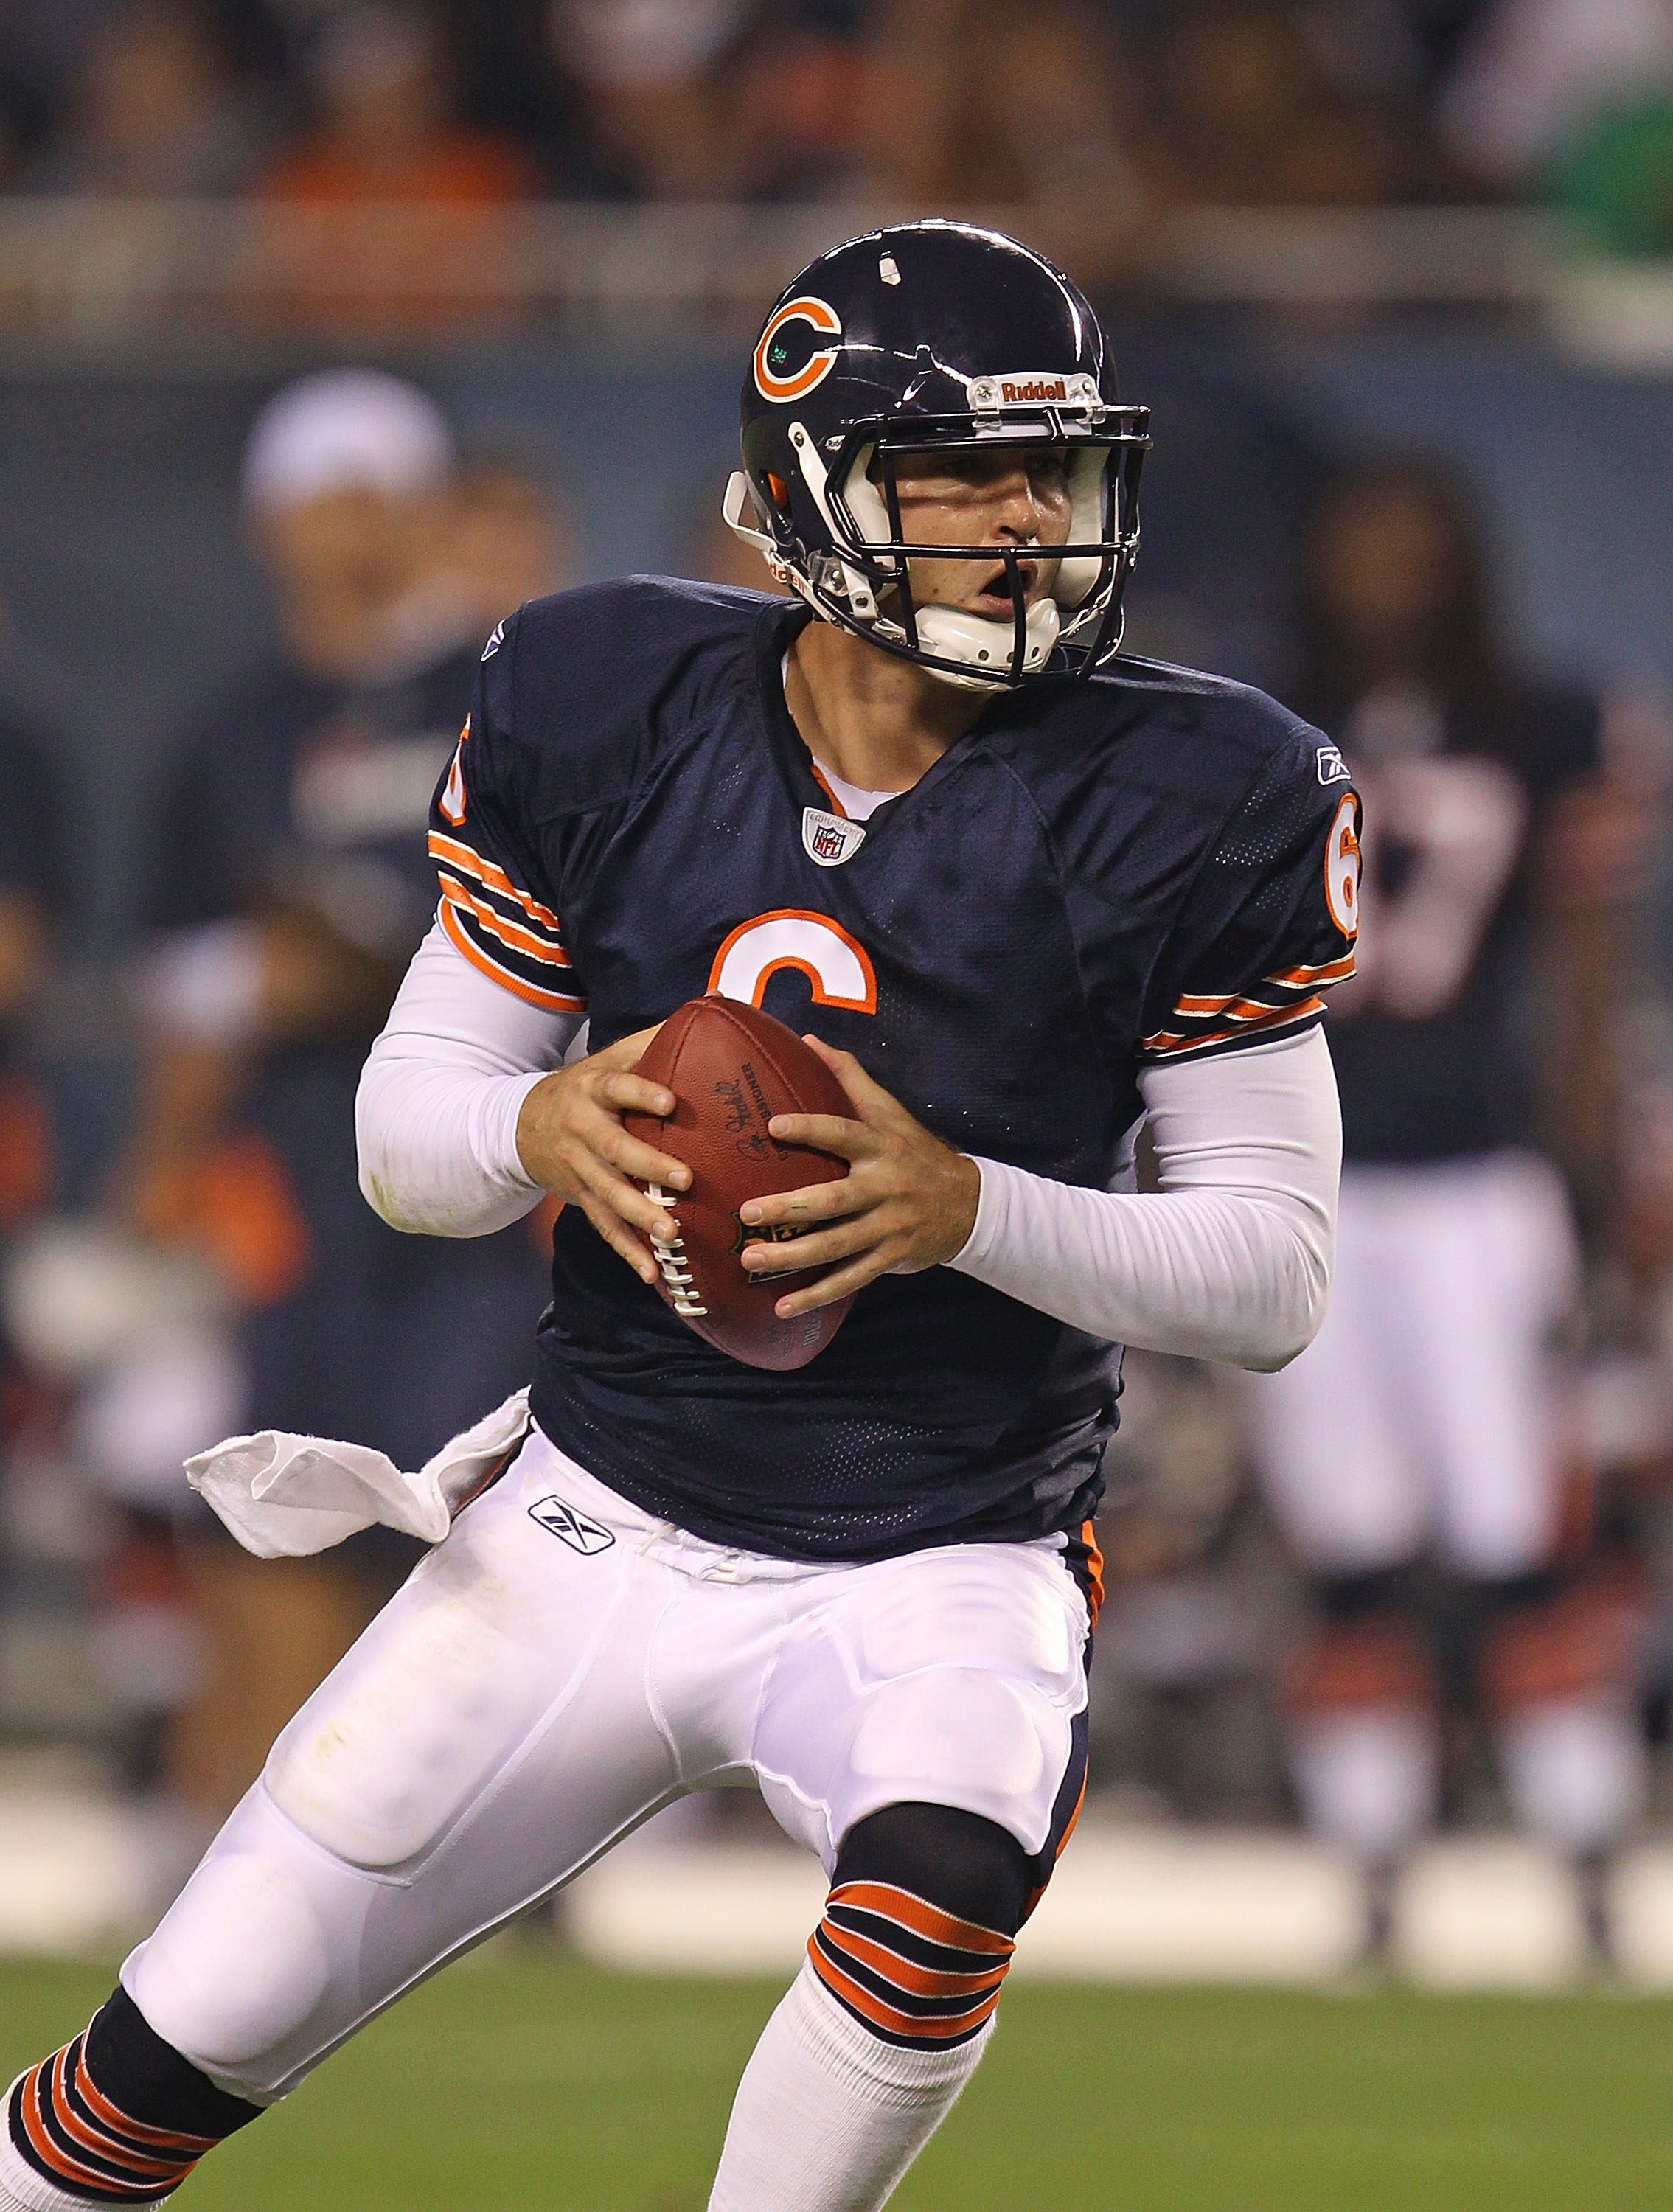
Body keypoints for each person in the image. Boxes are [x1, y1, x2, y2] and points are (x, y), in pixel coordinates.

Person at [1, 222, 1357, 2212]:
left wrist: (963, 1205)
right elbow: (412, 1126)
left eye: (1043, 473)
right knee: (162, 2063)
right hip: (594, 1521)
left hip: (943, 1545)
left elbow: (1271, 1274)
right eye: (954, 473)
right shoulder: (603, 692)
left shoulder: (1194, 787)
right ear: (812, 492)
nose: (1017, 523)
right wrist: (539, 1121)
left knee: (939, 1892)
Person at [112, 367, 552, 1815]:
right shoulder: (234, 725)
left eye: (377, 494)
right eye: (322, 498)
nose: (350, 529)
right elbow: (176, 970)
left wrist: (379, 962)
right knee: (281, 1502)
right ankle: (265, 1825)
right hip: (298, 1157)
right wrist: (255, 994)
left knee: (463, 1495)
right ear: (268, 522)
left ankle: (455, 1833)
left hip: (485, 1153)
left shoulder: (507, 689)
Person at [1243, 458, 1648, 1963]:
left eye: (1414, 546)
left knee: (1519, 1538)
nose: (1386, 576)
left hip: (1480, 1177)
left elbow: (1587, 969)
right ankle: (1370, 1880)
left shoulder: (1544, 724)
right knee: (1345, 1545)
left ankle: (1586, 1865)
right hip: (1306, 1185)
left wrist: (1589, 1175)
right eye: (1360, 543)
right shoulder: (1254, 724)